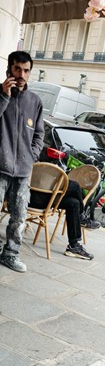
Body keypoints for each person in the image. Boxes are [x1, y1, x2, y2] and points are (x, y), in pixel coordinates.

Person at [0, 50, 44, 273]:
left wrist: (32, 154)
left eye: (26, 70)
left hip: (23, 170)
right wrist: (4, 96)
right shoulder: (0, 95)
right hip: (0, 166)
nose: (22, 74)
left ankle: (10, 254)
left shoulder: (34, 101)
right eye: (18, 69)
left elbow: (39, 133)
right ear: (9, 69)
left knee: (19, 216)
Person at [29, 177, 96, 260]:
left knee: (74, 203)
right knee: (75, 186)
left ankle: (73, 246)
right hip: (31, 197)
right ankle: (81, 217)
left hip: (43, 197)